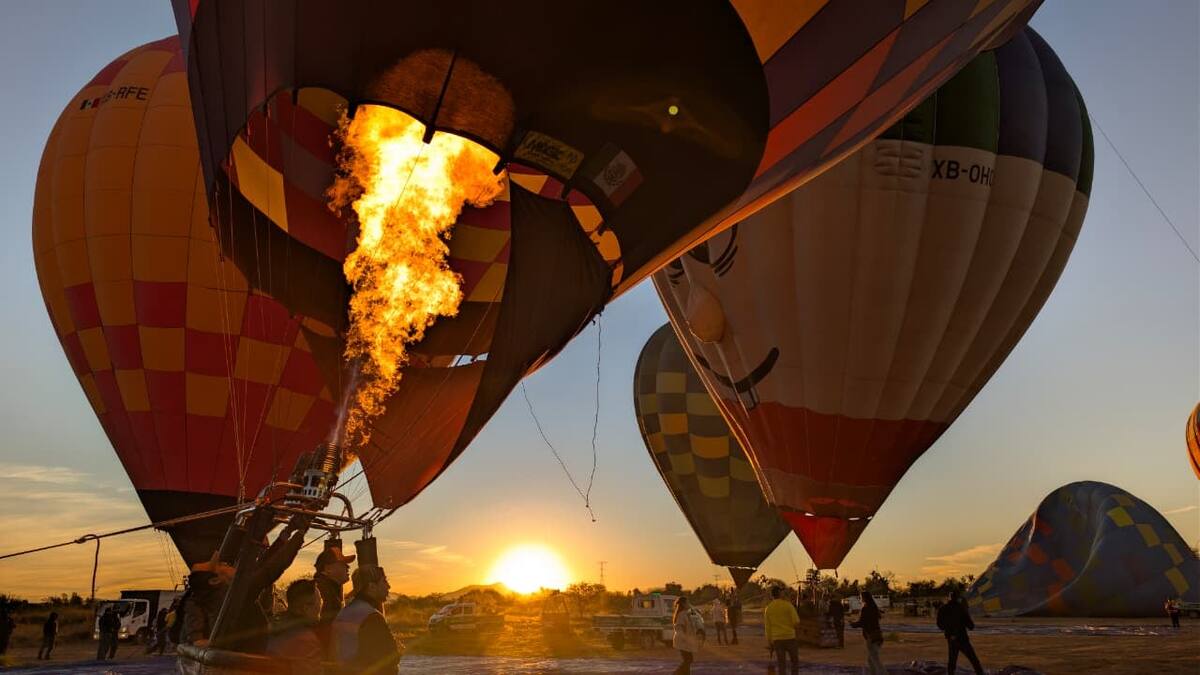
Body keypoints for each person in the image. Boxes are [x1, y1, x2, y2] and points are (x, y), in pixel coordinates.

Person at [333, 566, 401, 675]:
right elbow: (389, 659)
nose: (388, 586)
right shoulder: (372, 617)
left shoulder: (344, 612)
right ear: (372, 587)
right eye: (384, 581)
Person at [268, 579, 324, 673]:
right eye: (320, 600)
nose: (322, 604)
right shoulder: (305, 640)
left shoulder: (276, 629)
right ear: (306, 608)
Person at [314, 542, 355, 651]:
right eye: (343, 564)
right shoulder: (323, 592)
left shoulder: (328, 589)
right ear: (328, 569)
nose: (348, 567)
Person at [936, 590, 984, 675]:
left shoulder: (943, 609)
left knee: (952, 661)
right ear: (958, 598)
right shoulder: (961, 608)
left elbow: (940, 624)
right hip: (962, 638)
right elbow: (970, 625)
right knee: (973, 660)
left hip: (951, 639)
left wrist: (949, 631)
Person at [763, 586, 800, 675]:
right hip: (790, 637)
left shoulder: (768, 608)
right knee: (794, 662)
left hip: (777, 639)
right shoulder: (788, 605)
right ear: (780, 594)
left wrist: (770, 642)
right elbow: (796, 622)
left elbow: (768, 627)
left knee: (781, 664)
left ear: (772, 596)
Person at [850, 591, 885, 675]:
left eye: (861, 597)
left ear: (864, 598)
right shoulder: (874, 608)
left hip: (871, 636)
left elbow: (862, 622)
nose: (860, 599)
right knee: (871, 659)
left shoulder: (865, 608)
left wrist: (853, 624)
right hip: (877, 635)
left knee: (874, 659)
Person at [670, 596, 705, 675]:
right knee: (688, 660)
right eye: (687, 602)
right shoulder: (681, 615)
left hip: (685, 641)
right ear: (683, 604)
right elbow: (679, 629)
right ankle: (676, 673)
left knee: (688, 660)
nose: (688, 604)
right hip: (682, 641)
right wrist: (685, 638)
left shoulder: (687, 613)